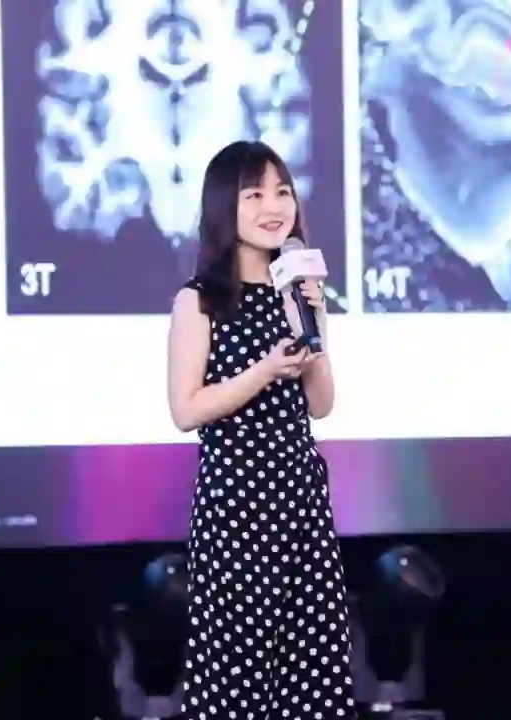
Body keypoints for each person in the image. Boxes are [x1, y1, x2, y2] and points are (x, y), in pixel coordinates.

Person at [166, 140, 356, 718]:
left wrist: (310, 326)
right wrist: (264, 371)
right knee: (237, 675)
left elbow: (321, 405)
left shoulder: (300, 292)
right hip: (236, 508)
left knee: (313, 669)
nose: (274, 207)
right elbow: (186, 409)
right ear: (225, 205)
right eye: (255, 194)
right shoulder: (198, 302)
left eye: (283, 192)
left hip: (300, 500)